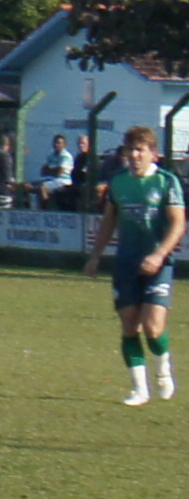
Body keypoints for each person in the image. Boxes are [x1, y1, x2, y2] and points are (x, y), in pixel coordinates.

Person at [96, 124, 182, 405]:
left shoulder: (167, 182)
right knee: (130, 326)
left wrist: (159, 255)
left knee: (154, 327)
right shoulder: (118, 182)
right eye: (130, 150)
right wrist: (96, 255)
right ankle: (139, 389)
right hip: (126, 263)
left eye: (140, 150)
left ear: (153, 154)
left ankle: (163, 370)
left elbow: (178, 223)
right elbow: (110, 219)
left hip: (159, 263)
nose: (134, 155)